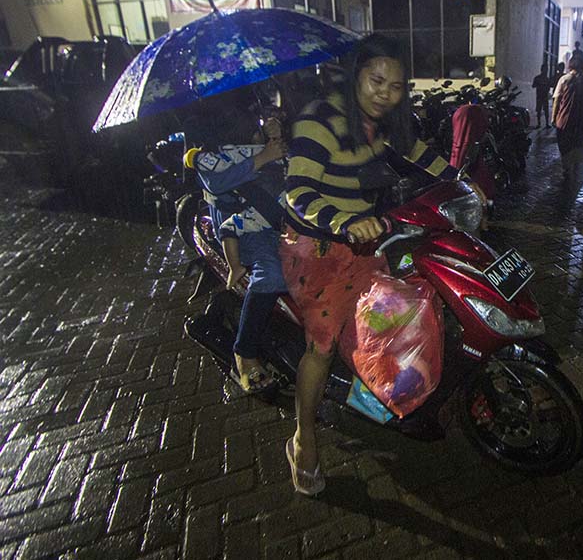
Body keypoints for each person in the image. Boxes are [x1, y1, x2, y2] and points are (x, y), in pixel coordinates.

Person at [281, 34, 483, 495]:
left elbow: (417, 155)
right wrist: (343, 221)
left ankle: (375, 390)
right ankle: (303, 439)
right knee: (323, 345)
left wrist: (461, 180)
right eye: (376, 80)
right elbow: (298, 191)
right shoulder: (320, 121)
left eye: (395, 86)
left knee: (390, 315)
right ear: (356, 74)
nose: (385, 93)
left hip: (363, 239)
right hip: (314, 247)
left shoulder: (385, 123)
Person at [183, 91, 288, 394]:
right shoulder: (205, 142)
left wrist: (274, 135)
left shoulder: (251, 106)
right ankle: (245, 351)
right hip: (242, 226)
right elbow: (218, 181)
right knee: (273, 273)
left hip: (277, 211)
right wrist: (263, 156)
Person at [552, 53, 583, 186]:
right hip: (581, 119)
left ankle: (567, 168)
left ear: (570, 66)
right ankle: (576, 167)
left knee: (564, 144)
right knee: (578, 143)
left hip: (564, 118)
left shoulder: (564, 79)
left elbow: (557, 100)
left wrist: (553, 117)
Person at [531, 63, 550, 128]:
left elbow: (548, 87)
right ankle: (539, 123)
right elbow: (533, 85)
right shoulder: (538, 78)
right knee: (539, 110)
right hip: (540, 96)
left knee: (545, 110)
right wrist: (540, 85)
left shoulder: (546, 79)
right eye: (545, 69)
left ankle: (546, 123)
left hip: (544, 96)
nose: (546, 71)